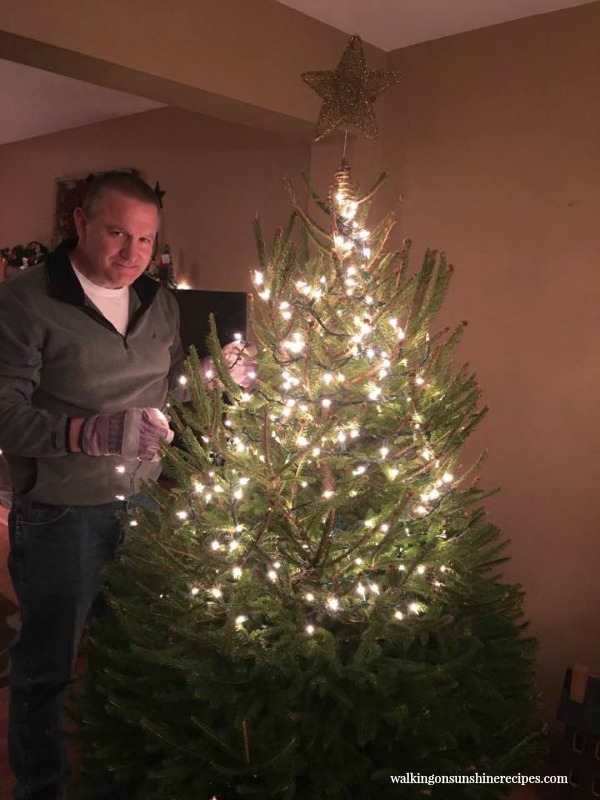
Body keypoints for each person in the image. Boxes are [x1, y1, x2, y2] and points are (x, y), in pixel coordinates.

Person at [0, 171, 254, 800]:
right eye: (117, 232)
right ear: (80, 223)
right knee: (47, 670)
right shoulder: (26, 301)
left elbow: (161, 390)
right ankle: (42, 788)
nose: (131, 253)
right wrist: (91, 433)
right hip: (62, 514)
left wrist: (209, 378)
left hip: (142, 508)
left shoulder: (159, 300)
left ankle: (112, 770)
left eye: (145, 239)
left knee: (128, 651)